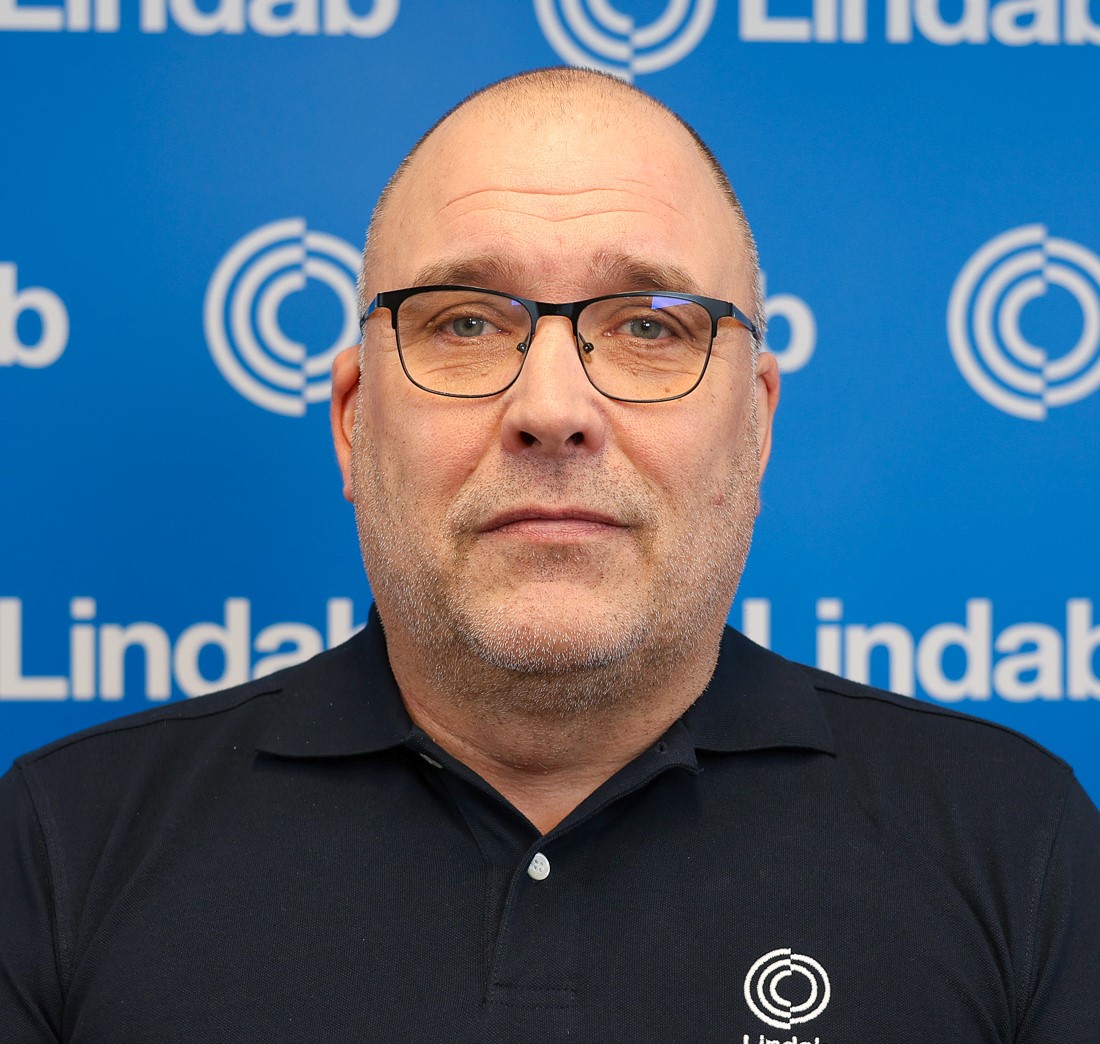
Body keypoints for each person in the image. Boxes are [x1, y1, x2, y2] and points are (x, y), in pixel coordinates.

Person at [1, 68, 1097, 1043]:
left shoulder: (1018, 847)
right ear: (351, 422)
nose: (553, 409)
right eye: (465, 323)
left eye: (651, 325)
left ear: (756, 427)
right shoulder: (59, 851)